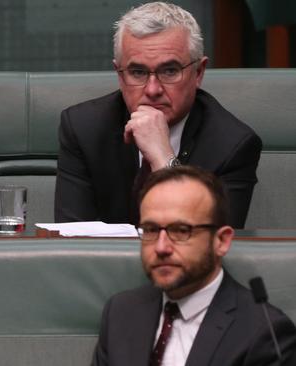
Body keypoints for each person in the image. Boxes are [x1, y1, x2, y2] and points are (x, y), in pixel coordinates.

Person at [54, 2, 261, 228]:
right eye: (138, 72)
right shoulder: (84, 129)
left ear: (198, 73)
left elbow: (208, 244)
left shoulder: (232, 145)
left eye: (170, 71)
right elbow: (71, 239)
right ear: (120, 75)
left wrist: (164, 160)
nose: (152, 90)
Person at [92, 166, 296, 366]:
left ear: (221, 241)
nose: (161, 247)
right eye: (151, 230)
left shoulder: (263, 332)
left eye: (181, 230)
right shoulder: (121, 312)